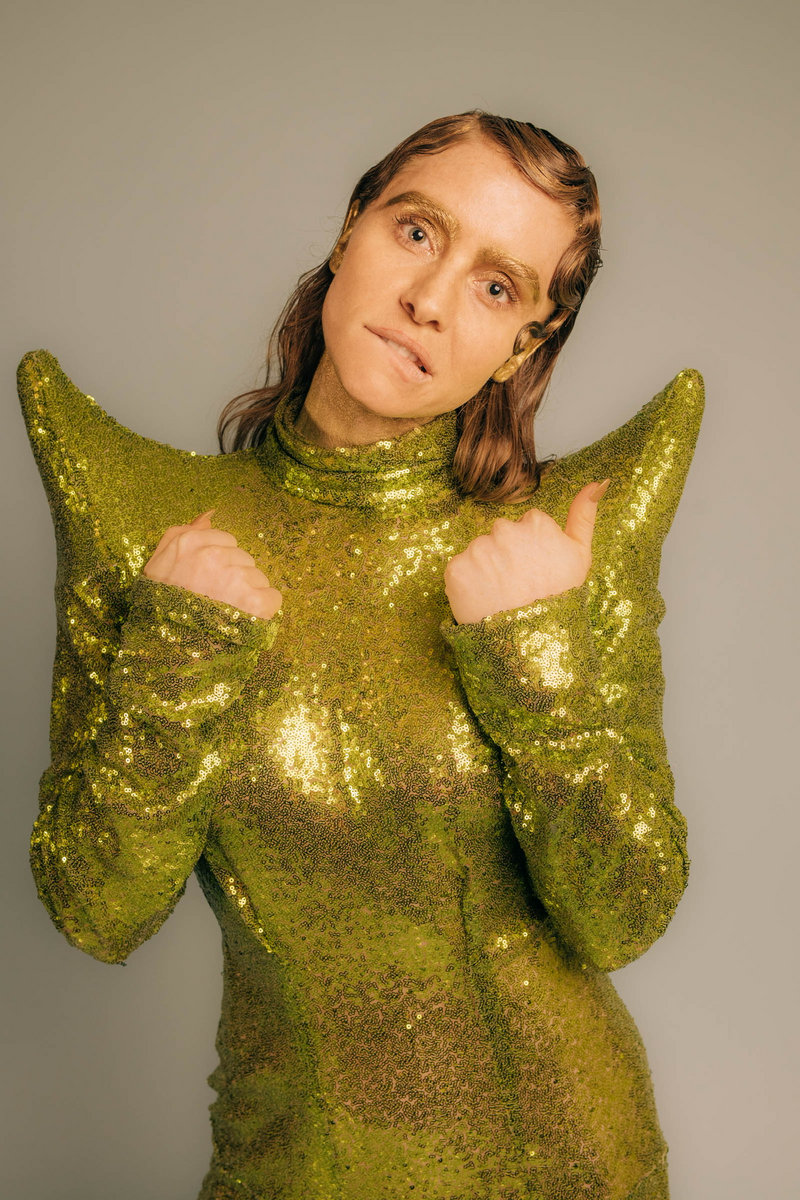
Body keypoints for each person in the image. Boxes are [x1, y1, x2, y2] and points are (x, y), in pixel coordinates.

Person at [17, 109, 704, 1199]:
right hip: (289, 1162)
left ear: (522, 346)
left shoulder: (559, 544)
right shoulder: (151, 523)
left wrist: (537, 666)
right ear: (350, 230)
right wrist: (176, 661)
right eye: (417, 231)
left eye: (497, 287)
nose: (429, 298)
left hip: (566, 1163)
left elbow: (622, 918)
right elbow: (97, 911)